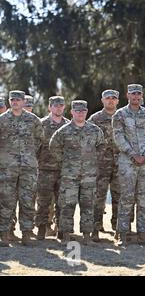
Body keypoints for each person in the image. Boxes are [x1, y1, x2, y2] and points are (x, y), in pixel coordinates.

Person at [50, 100, 104, 245]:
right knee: (67, 205)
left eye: (83, 111)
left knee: (88, 205)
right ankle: (65, 236)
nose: (80, 113)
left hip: (89, 175)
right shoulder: (64, 131)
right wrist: (65, 162)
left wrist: (92, 161)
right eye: (77, 111)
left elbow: (101, 146)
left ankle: (87, 236)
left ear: (86, 112)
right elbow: (53, 146)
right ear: (72, 112)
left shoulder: (94, 130)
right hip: (70, 176)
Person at [112, 84, 145, 247]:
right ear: (127, 95)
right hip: (127, 163)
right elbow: (118, 138)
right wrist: (133, 154)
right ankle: (122, 233)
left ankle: (142, 233)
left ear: (142, 96)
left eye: (139, 94)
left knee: (144, 198)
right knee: (126, 197)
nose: (136, 97)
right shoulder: (120, 115)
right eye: (133, 94)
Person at [0, 91, 43, 247]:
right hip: (7, 168)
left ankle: (26, 233)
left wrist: (29, 155)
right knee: (6, 201)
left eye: (18, 100)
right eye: (12, 100)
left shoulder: (33, 120)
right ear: (9, 101)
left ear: (24, 102)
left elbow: (40, 140)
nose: (15, 102)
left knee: (27, 201)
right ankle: (4, 234)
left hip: (28, 168)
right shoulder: (2, 120)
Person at [35, 96, 70, 240]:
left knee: (63, 202)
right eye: (55, 105)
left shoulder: (69, 125)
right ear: (50, 107)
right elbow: (35, 146)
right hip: (44, 169)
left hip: (63, 170)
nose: (58, 108)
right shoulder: (41, 124)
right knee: (43, 201)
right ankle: (42, 229)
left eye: (61, 105)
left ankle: (62, 230)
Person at [88, 90, 121, 241]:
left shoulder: (123, 117)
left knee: (119, 197)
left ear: (117, 101)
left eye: (113, 98)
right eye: (107, 98)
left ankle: (118, 227)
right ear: (102, 100)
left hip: (121, 164)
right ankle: (95, 227)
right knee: (98, 197)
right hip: (100, 165)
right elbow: (87, 140)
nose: (110, 101)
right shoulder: (95, 118)